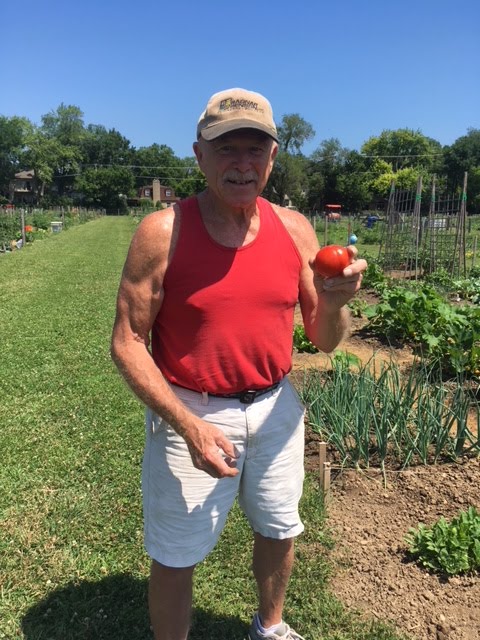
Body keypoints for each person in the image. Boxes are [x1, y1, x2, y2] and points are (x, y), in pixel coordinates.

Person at [111, 87, 367, 640]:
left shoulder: (295, 229)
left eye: (256, 150)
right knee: (177, 552)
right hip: (193, 411)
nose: (242, 164)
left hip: (276, 408)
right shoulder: (163, 233)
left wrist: (339, 304)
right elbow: (129, 341)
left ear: (273, 159)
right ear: (200, 155)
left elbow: (324, 339)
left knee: (279, 526)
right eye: (227, 149)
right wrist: (188, 424)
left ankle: (270, 626)